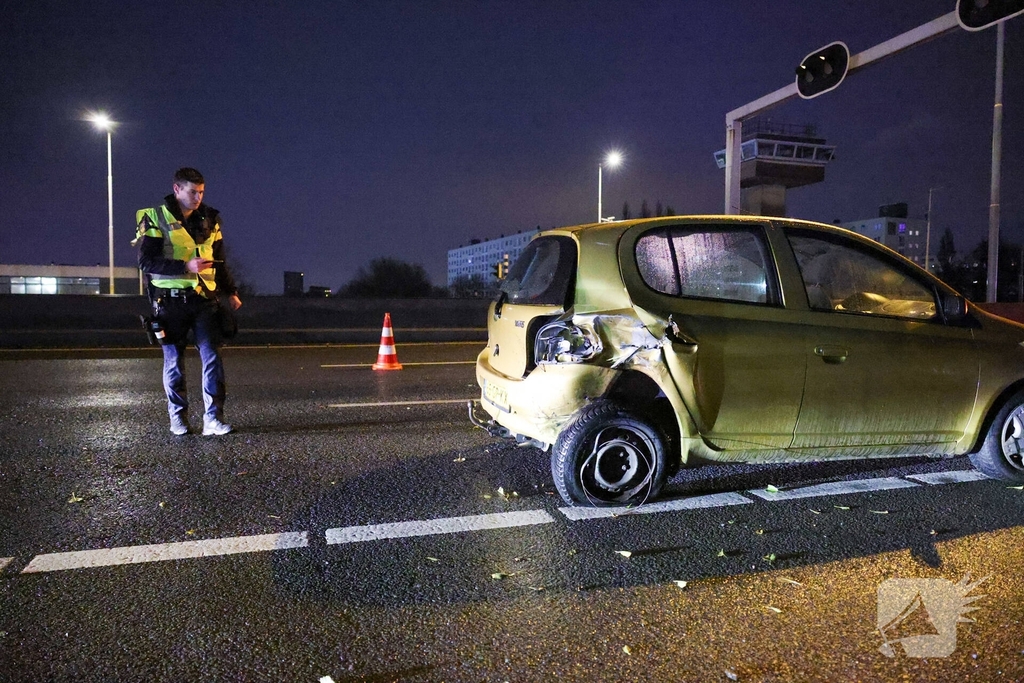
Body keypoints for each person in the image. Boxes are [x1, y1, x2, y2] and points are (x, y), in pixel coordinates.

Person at [135, 167, 242, 436]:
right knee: (173, 361)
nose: (198, 198)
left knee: (213, 358)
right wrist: (186, 266)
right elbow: (146, 262)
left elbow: (219, 259)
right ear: (177, 189)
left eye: (201, 192)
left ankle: (213, 419)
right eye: (192, 192)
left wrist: (231, 291)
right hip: (169, 301)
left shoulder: (211, 219)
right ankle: (178, 418)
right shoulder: (155, 217)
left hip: (204, 298)